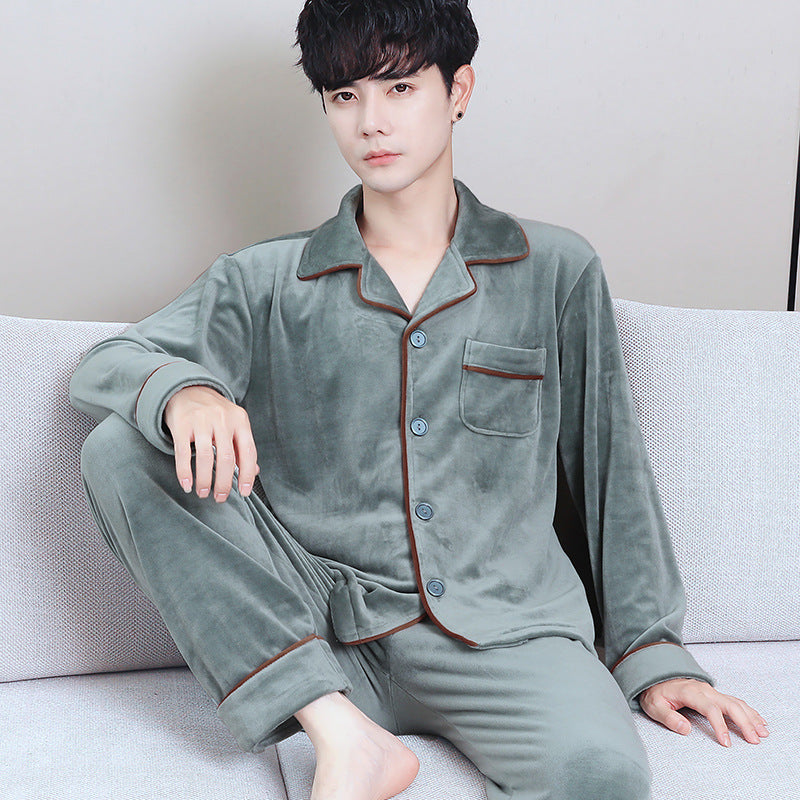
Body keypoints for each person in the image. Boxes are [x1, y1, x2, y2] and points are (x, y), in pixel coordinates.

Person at [68, 1, 769, 799]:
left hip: (510, 633)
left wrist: (653, 653)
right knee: (121, 445)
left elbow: (612, 474)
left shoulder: (554, 269)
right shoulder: (261, 280)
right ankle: (340, 733)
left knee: (601, 780)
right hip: (325, 635)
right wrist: (185, 389)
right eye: (345, 96)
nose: (370, 121)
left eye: (399, 88)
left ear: (457, 90)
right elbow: (108, 363)